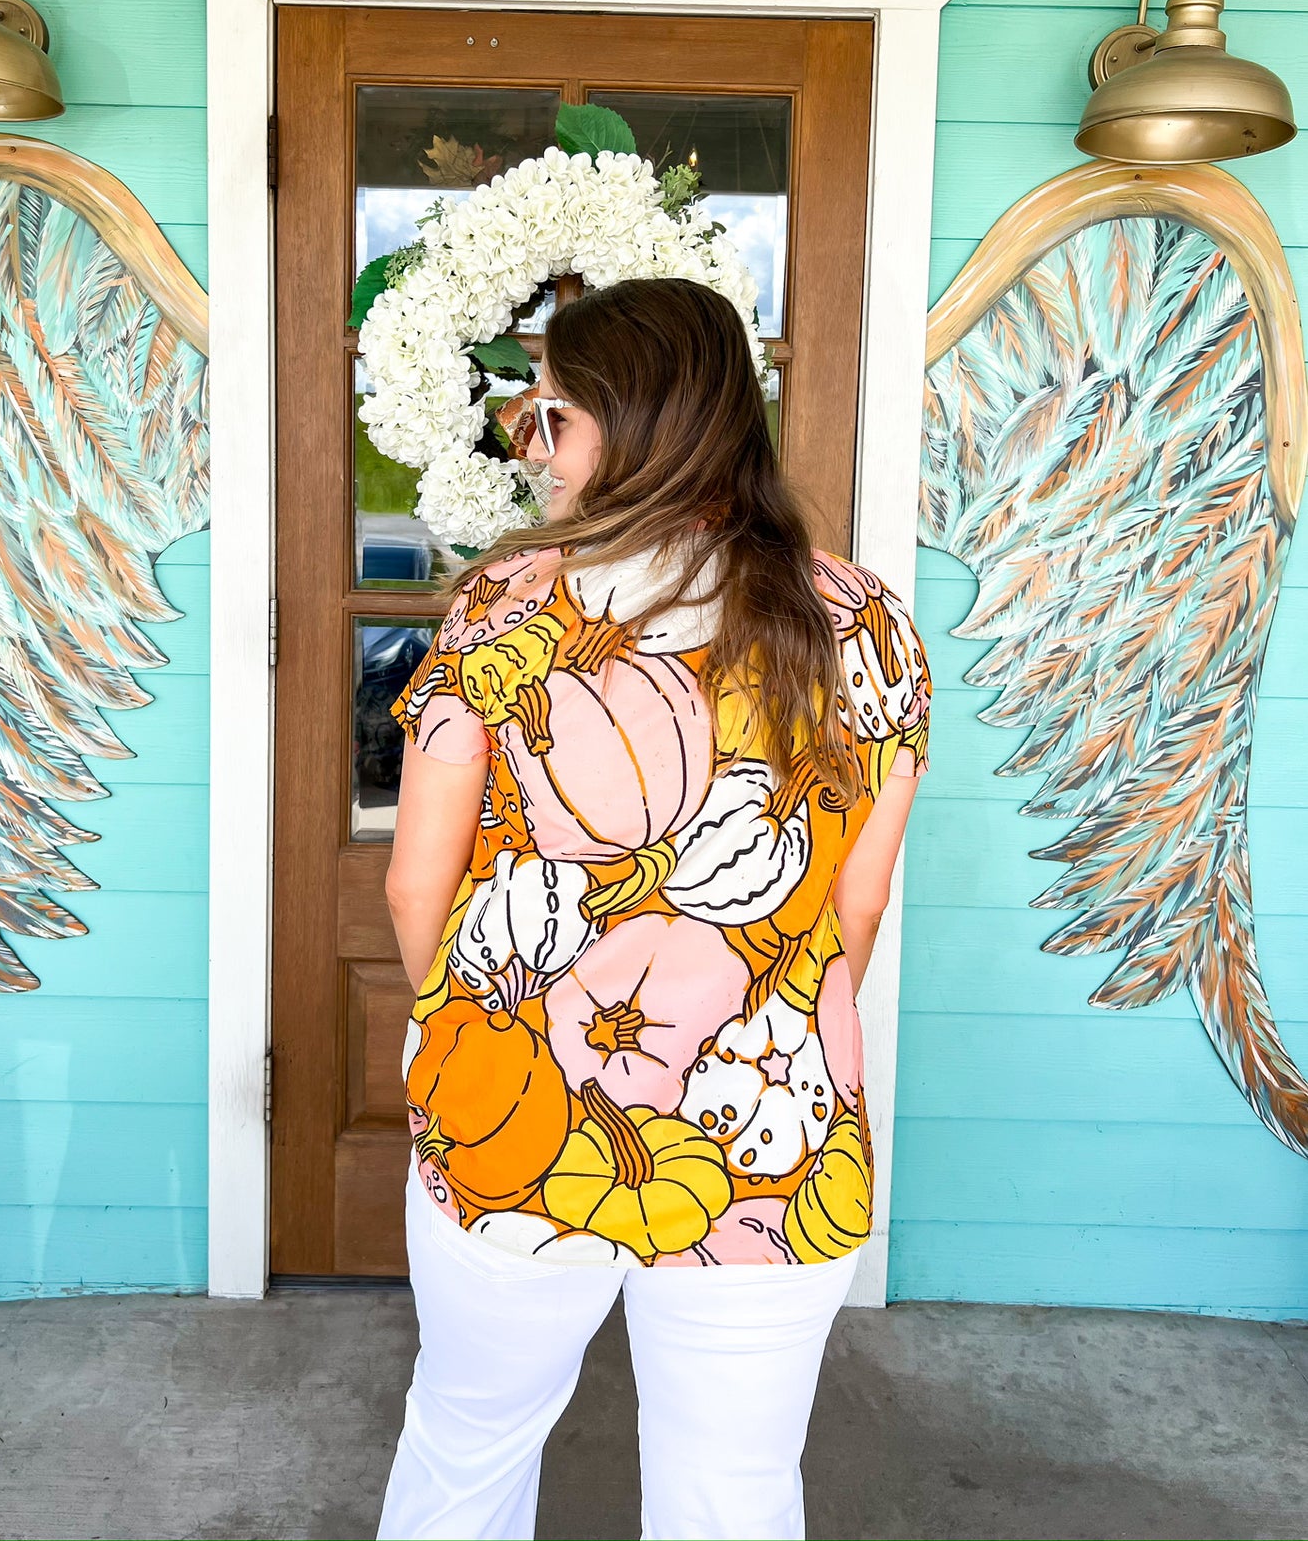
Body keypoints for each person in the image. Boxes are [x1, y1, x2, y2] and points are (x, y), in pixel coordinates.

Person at [377, 276, 932, 1541]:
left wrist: (469, 1020)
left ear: (627, 424)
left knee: (467, 1441)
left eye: (549, 412)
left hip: (514, 1110)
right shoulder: (868, 623)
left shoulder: (505, 606)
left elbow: (419, 880)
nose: (535, 442)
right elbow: (855, 909)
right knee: (731, 1492)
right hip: (773, 1137)